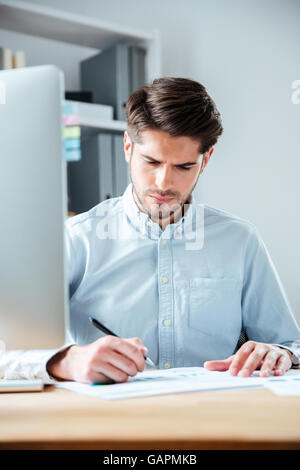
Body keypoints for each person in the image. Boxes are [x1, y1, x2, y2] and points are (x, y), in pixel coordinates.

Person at [2, 77, 300, 384]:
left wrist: (280, 353)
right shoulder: (75, 240)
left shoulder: (241, 241)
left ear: (205, 160)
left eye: (184, 167)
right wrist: (65, 361)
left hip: (215, 420)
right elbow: (6, 351)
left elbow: (290, 344)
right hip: (109, 422)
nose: (163, 183)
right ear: (128, 147)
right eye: (151, 161)